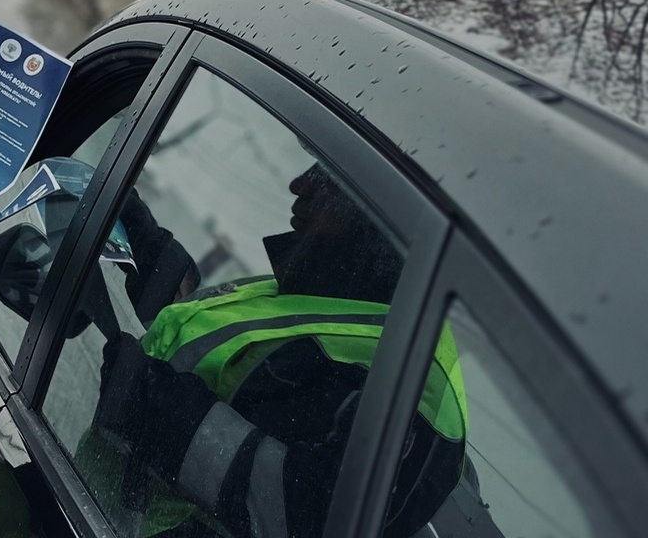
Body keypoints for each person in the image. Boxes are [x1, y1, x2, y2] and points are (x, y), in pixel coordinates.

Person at [88, 163, 468, 538]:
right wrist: (153, 256)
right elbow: (230, 366)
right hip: (90, 499)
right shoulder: (342, 286)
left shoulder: (415, 394)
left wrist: (156, 403)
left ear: (386, 214)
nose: (300, 184)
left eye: (332, 177)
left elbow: (310, 517)